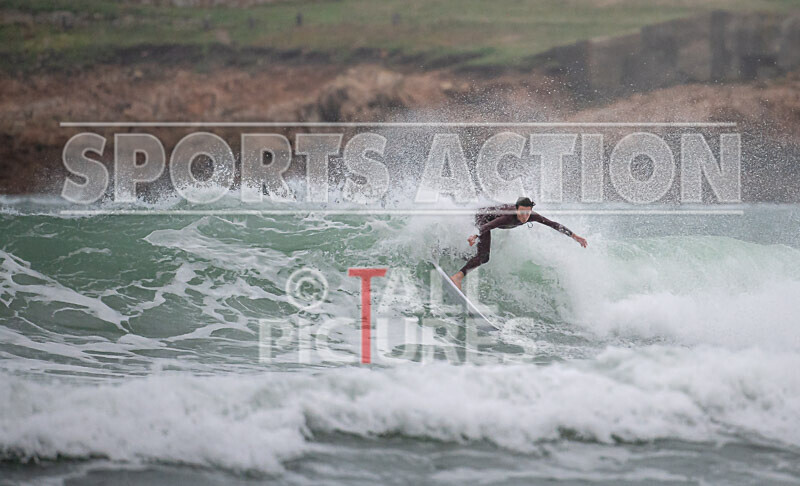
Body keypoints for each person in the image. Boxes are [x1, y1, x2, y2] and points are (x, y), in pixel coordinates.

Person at [450, 197, 588, 290]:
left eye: (527, 213)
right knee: (484, 256)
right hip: (482, 218)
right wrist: (475, 235)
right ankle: (457, 277)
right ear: (516, 209)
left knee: (482, 255)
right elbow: (490, 225)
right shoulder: (508, 216)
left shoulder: (532, 216)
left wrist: (574, 236)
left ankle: (449, 253)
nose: (524, 217)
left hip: (486, 219)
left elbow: (553, 224)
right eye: (521, 213)